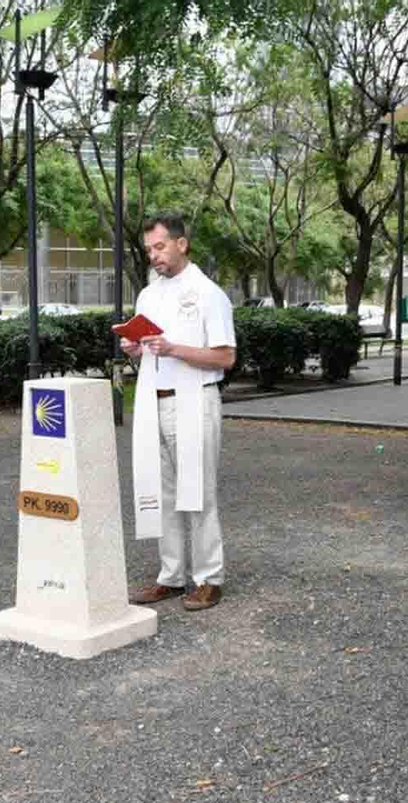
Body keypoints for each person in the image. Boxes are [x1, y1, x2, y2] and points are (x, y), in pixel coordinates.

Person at [122, 213, 236, 612]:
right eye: (149, 249)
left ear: (181, 244)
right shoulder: (149, 294)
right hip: (154, 399)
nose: (154, 256)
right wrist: (136, 348)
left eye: (160, 247)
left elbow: (225, 357)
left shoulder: (208, 293)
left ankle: (209, 578)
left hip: (195, 400)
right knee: (162, 491)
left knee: (198, 493)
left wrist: (173, 349)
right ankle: (170, 576)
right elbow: (151, 349)